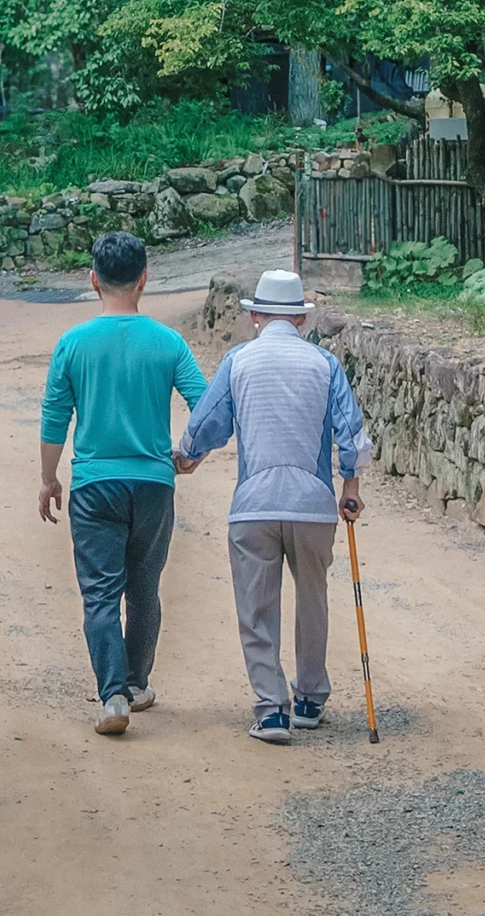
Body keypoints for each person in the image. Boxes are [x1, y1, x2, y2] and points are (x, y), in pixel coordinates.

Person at [174, 268, 368, 744]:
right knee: (312, 600)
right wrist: (351, 487)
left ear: (257, 315)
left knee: (256, 608)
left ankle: (271, 709)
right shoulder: (324, 364)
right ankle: (309, 698)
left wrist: (188, 457)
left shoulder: (238, 361)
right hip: (312, 504)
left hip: (254, 505)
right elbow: (351, 435)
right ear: (300, 320)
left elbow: (208, 424)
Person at [39, 231, 208, 737]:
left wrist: (49, 479)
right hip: (155, 485)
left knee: (100, 594)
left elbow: (55, 417)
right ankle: (137, 684)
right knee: (144, 588)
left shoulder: (72, 344)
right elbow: (207, 403)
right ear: (144, 280)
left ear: (93, 280)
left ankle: (112, 697)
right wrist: (190, 453)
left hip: (94, 486)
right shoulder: (168, 342)